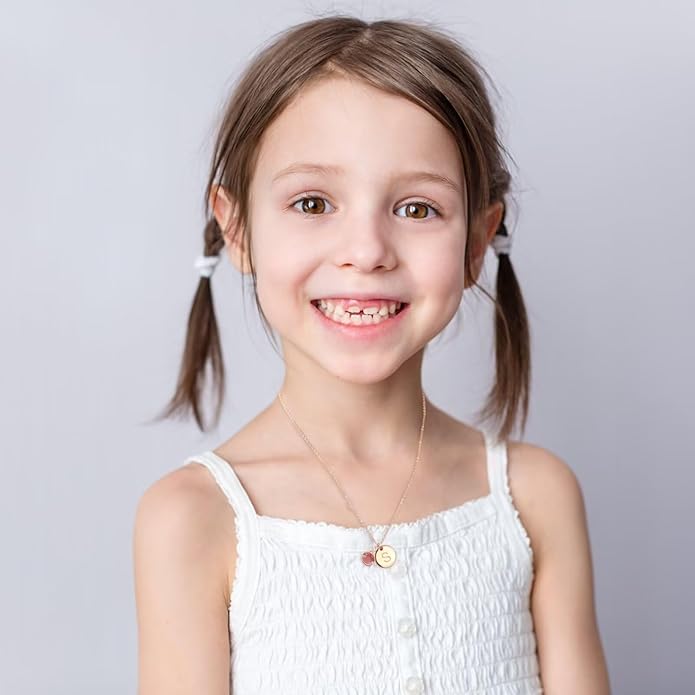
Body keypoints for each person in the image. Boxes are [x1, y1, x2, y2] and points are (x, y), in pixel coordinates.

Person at [133, 14, 611, 695]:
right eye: (312, 203)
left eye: (416, 209)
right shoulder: (192, 518)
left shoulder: (533, 496)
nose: (366, 251)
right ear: (235, 229)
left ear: (478, 241)